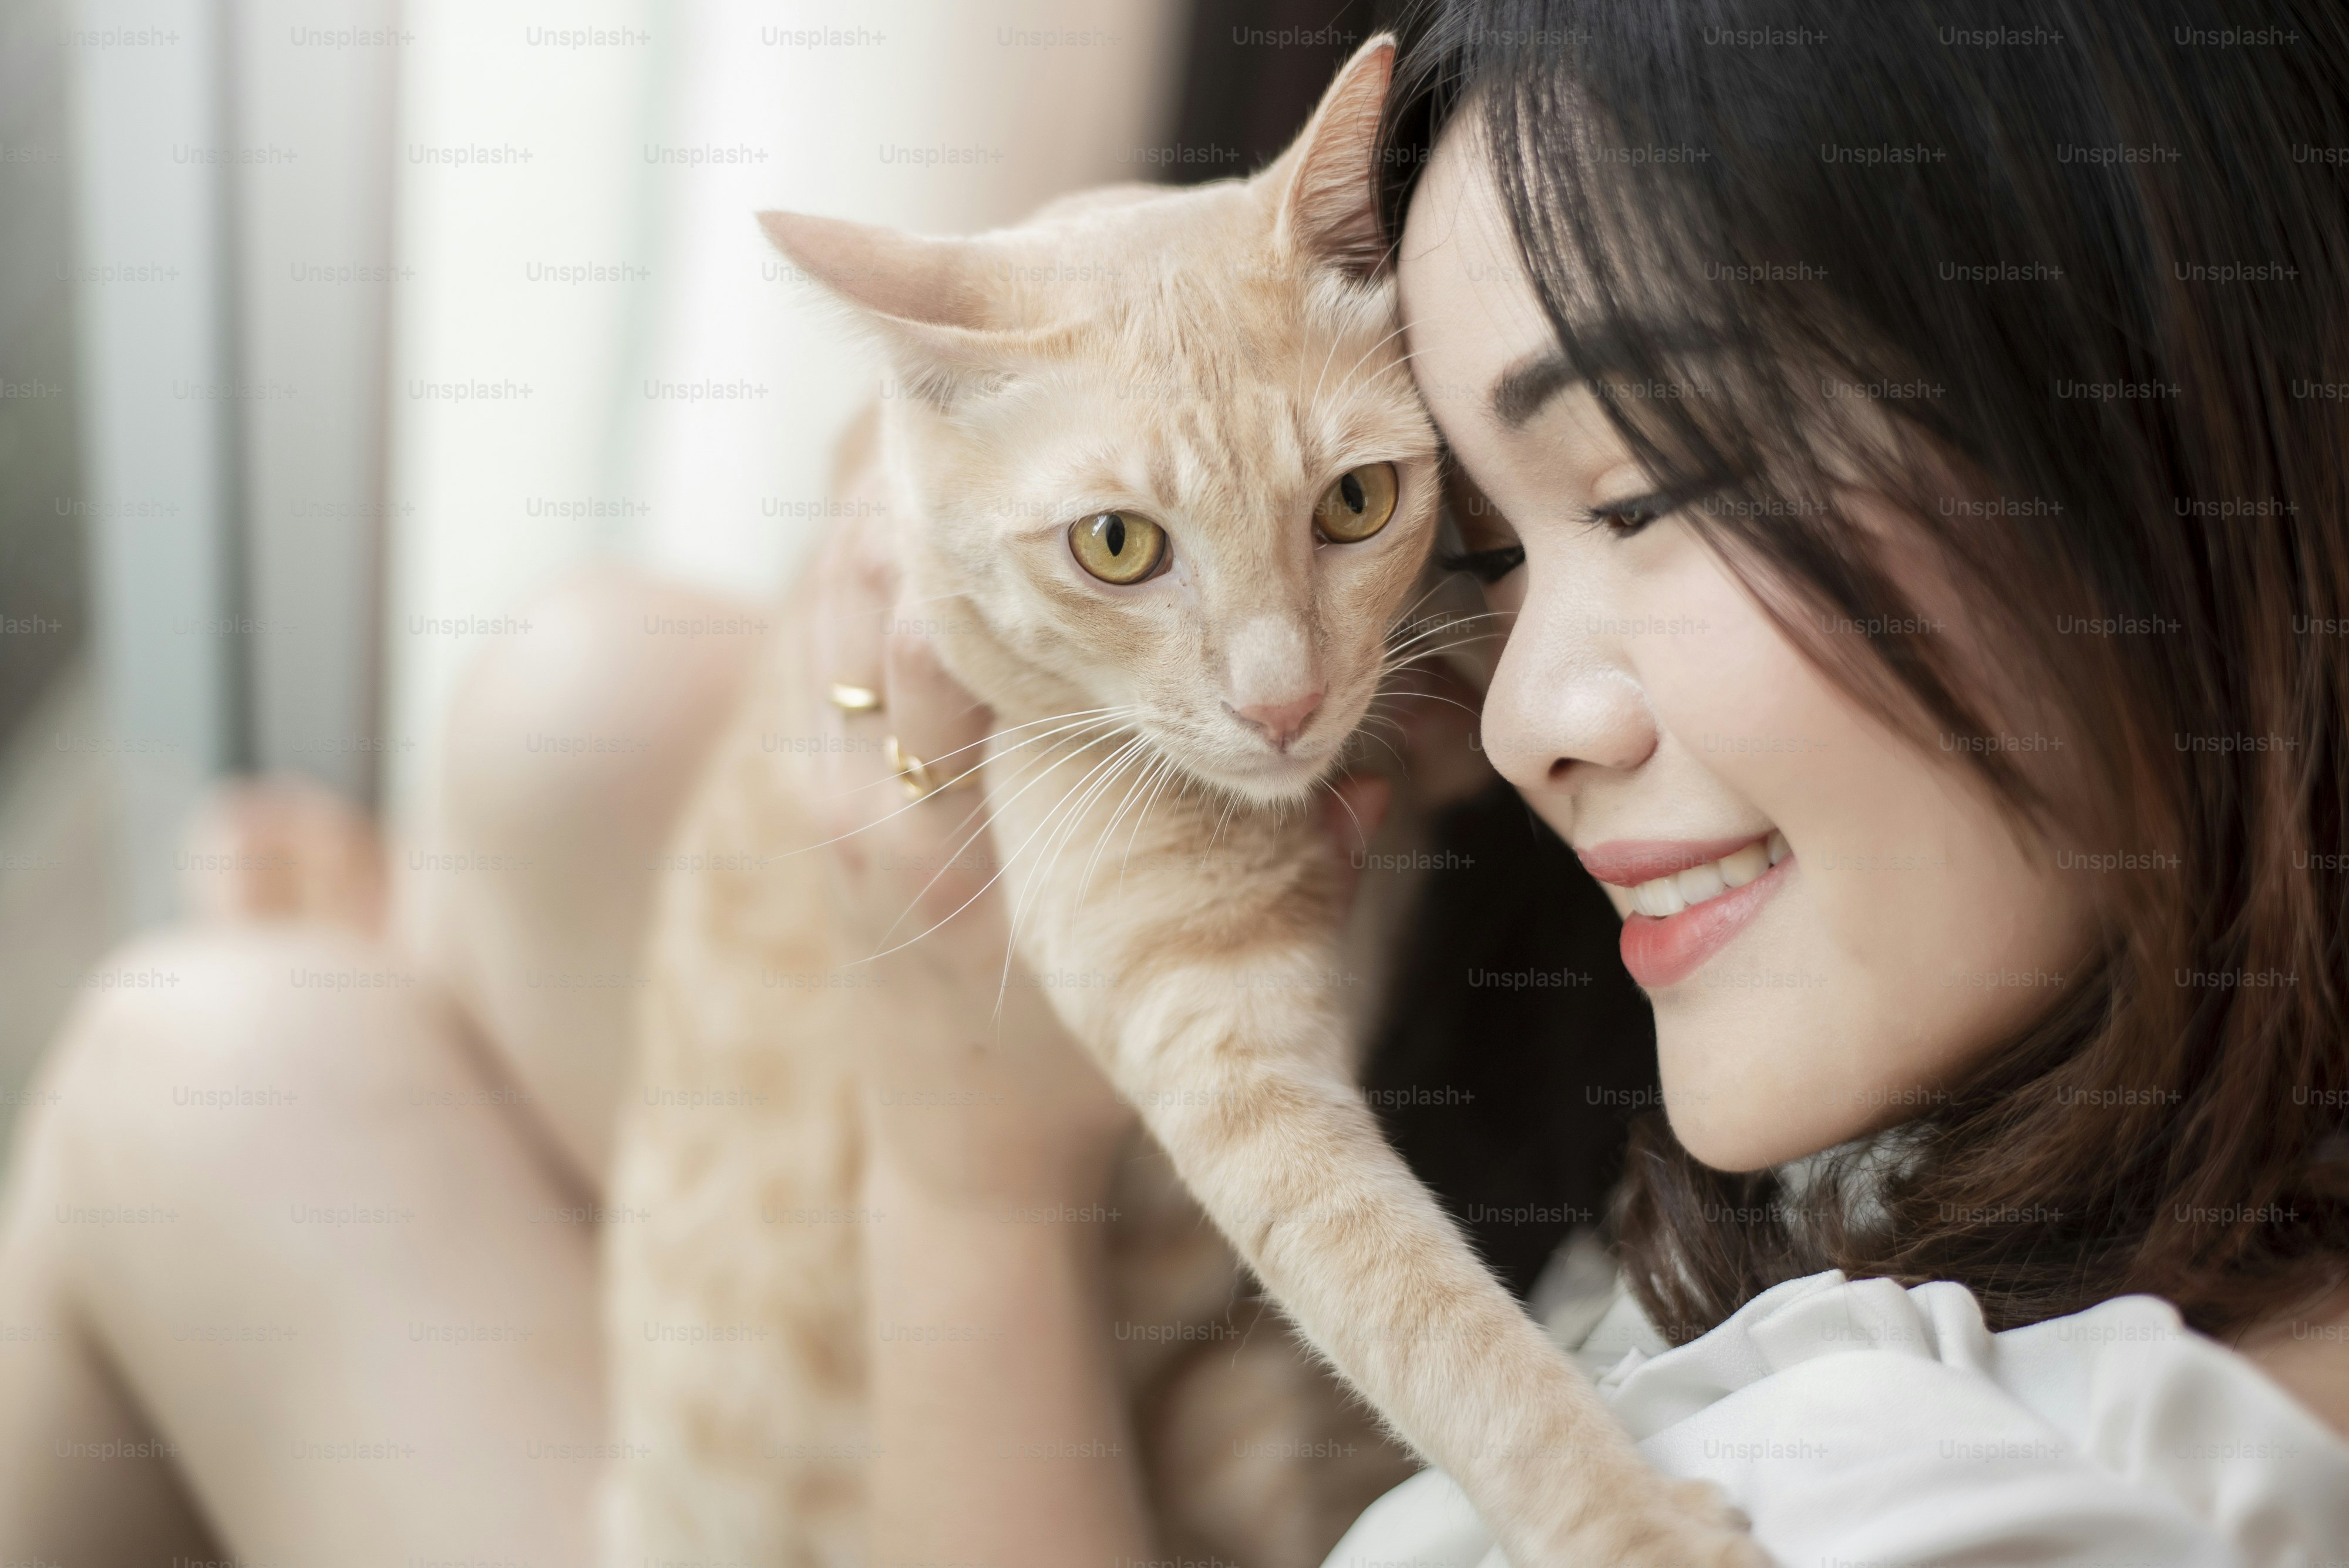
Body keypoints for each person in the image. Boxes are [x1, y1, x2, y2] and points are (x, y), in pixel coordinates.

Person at [5, 0, 2348, 1562]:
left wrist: (963, 1184)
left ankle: (411, 988)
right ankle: (441, 958)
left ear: (2144, 397)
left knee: (201, 1063)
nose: (1529, 711)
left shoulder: (1943, 1486)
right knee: (574, 714)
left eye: (1645, 490)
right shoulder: (1996, 1114)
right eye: (1500, 534)